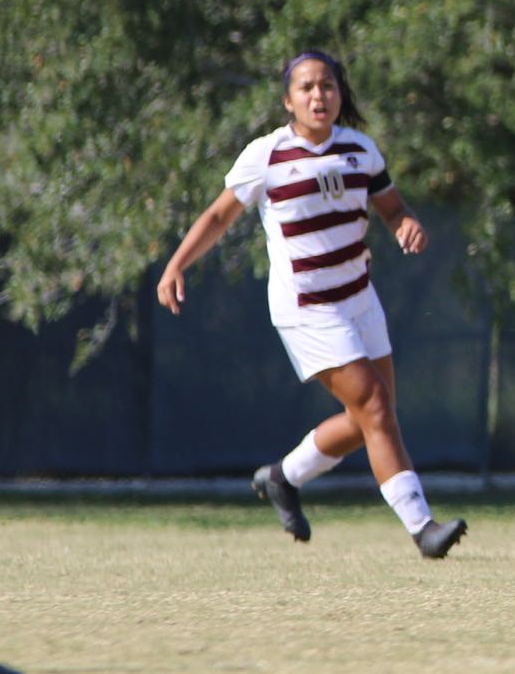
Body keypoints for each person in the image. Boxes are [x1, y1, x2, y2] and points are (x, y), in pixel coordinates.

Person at [156, 53, 467, 558]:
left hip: (360, 299)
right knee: (375, 407)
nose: (318, 96)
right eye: (306, 88)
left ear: (340, 95)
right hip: (307, 306)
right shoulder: (268, 155)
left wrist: (406, 225)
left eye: (327, 86)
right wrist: (176, 264)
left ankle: (283, 476)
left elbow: (391, 208)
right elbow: (218, 214)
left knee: (372, 414)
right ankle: (423, 529)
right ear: (288, 101)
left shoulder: (360, 150)